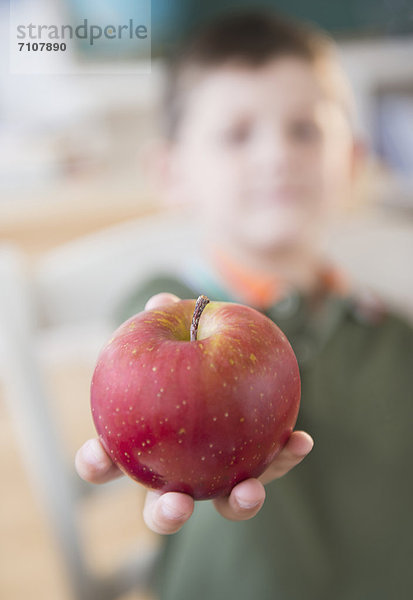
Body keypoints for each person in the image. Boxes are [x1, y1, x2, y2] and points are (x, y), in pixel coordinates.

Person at [75, 11, 413, 600]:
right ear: (171, 172)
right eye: (237, 134)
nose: (277, 155)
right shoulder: (157, 310)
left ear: (353, 160)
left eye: (305, 130)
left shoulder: (394, 336)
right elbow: (135, 349)